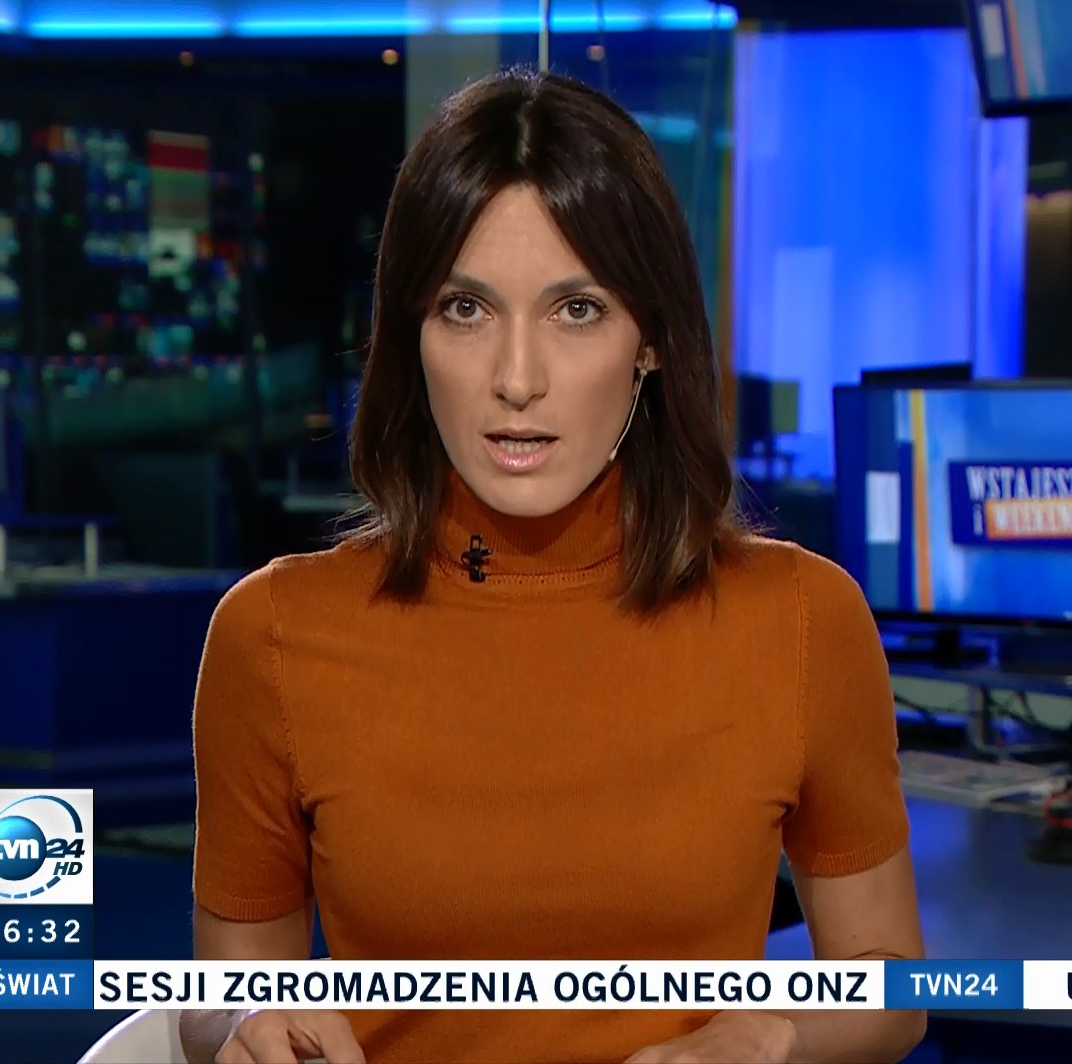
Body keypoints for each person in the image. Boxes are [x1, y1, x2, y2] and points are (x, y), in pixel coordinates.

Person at [184, 67, 926, 1064]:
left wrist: (765, 1037)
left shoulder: (801, 619)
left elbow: (889, 982)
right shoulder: (273, 635)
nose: (517, 379)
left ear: (650, 340)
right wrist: (244, 1027)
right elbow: (222, 997)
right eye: (466, 309)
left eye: (576, 310)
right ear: (410, 335)